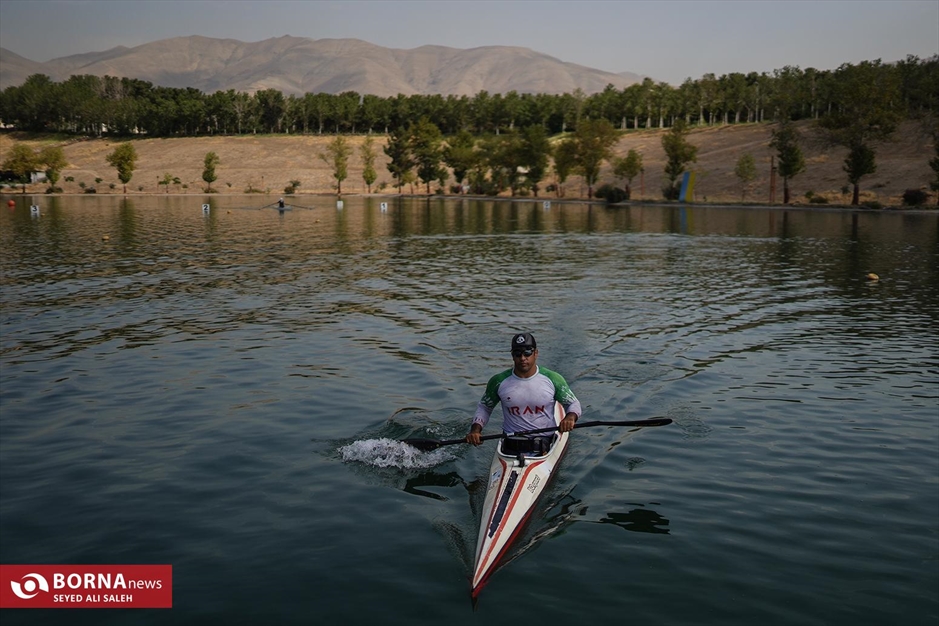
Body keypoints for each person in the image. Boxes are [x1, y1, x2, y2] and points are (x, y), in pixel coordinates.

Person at [466, 333, 581, 454]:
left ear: (536, 353)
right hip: (510, 445)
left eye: (527, 353)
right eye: (517, 353)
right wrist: (475, 430)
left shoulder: (553, 379)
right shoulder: (498, 381)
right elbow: (485, 407)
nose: (522, 358)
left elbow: (573, 403)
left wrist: (570, 417)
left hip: (545, 444)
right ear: (512, 355)